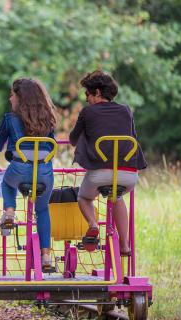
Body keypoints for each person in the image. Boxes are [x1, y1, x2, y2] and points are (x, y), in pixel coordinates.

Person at [69, 70, 147, 255]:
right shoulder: (126, 110)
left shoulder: (87, 112)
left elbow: (73, 139)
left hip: (100, 173)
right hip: (129, 174)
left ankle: (93, 224)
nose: (86, 98)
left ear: (97, 92)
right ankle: (125, 245)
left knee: (84, 197)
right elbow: (132, 137)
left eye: (87, 93)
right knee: (117, 196)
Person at [0, 78, 57, 270]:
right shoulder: (47, 118)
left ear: (20, 97)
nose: (10, 98)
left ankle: (10, 212)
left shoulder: (10, 118)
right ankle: (46, 257)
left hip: (19, 167)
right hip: (44, 171)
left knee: (7, 183)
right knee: (43, 210)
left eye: (12, 94)